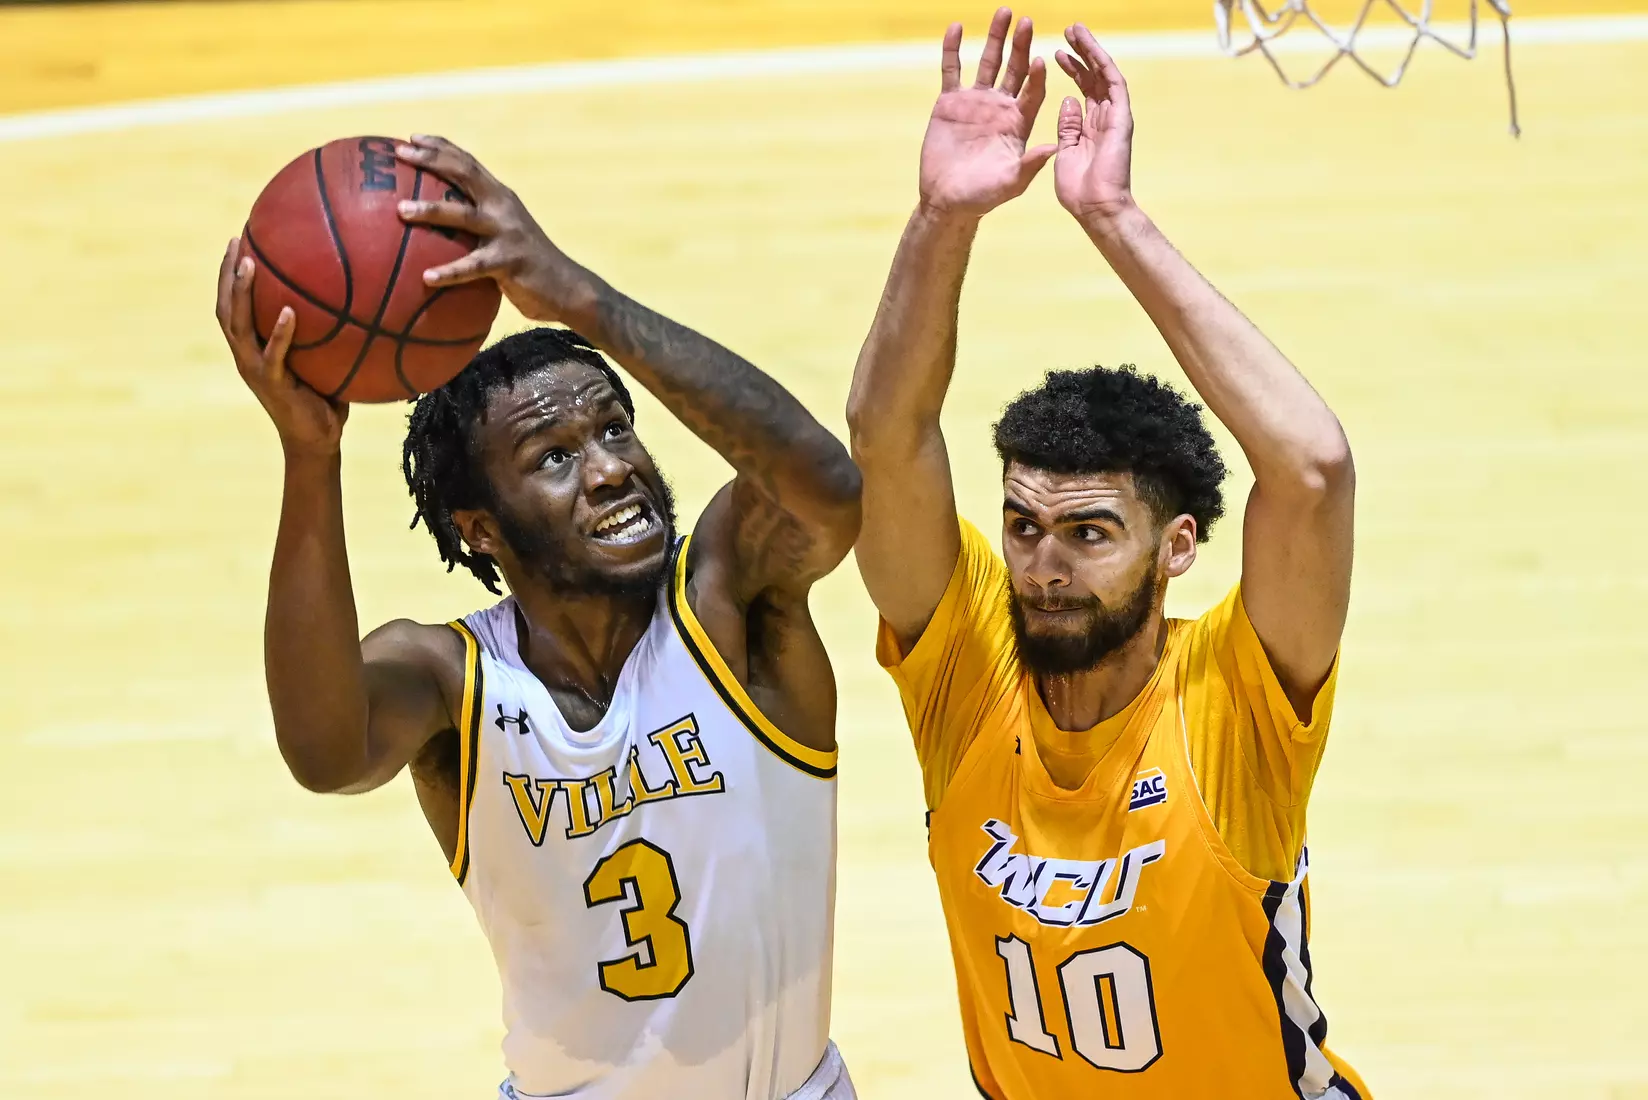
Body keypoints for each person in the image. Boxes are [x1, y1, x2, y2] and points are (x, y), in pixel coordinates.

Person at [214, 135, 861, 1100]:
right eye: (555, 458)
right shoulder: (452, 680)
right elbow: (324, 753)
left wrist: (579, 299)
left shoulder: (727, 603)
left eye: (613, 427)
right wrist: (311, 459)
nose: (610, 469)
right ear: (479, 529)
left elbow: (829, 491)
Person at [846, 10, 1370, 1098]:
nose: (1045, 565)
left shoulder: (1231, 699)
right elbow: (885, 438)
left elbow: (1312, 470)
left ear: (1176, 547)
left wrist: (1114, 218)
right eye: (1023, 525)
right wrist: (943, 216)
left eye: (1089, 534)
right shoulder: (969, 667)